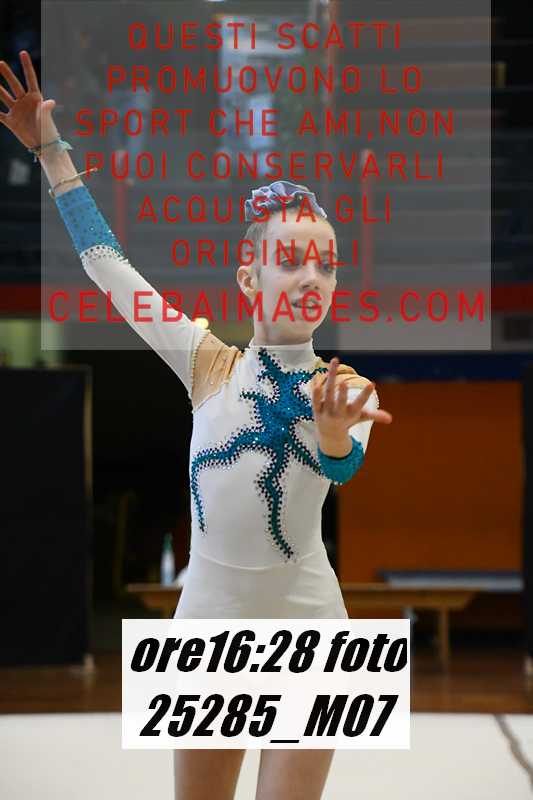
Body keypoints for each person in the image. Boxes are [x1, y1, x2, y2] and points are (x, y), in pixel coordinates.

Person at [0, 51, 392, 800]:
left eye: (327, 264)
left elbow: (341, 464)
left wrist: (333, 434)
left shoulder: (344, 388)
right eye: (292, 260)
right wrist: (52, 152)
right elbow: (108, 267)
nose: (311, 278)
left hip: (312, 620)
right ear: (249, 276)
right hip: (209, 618)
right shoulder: (204, 361)